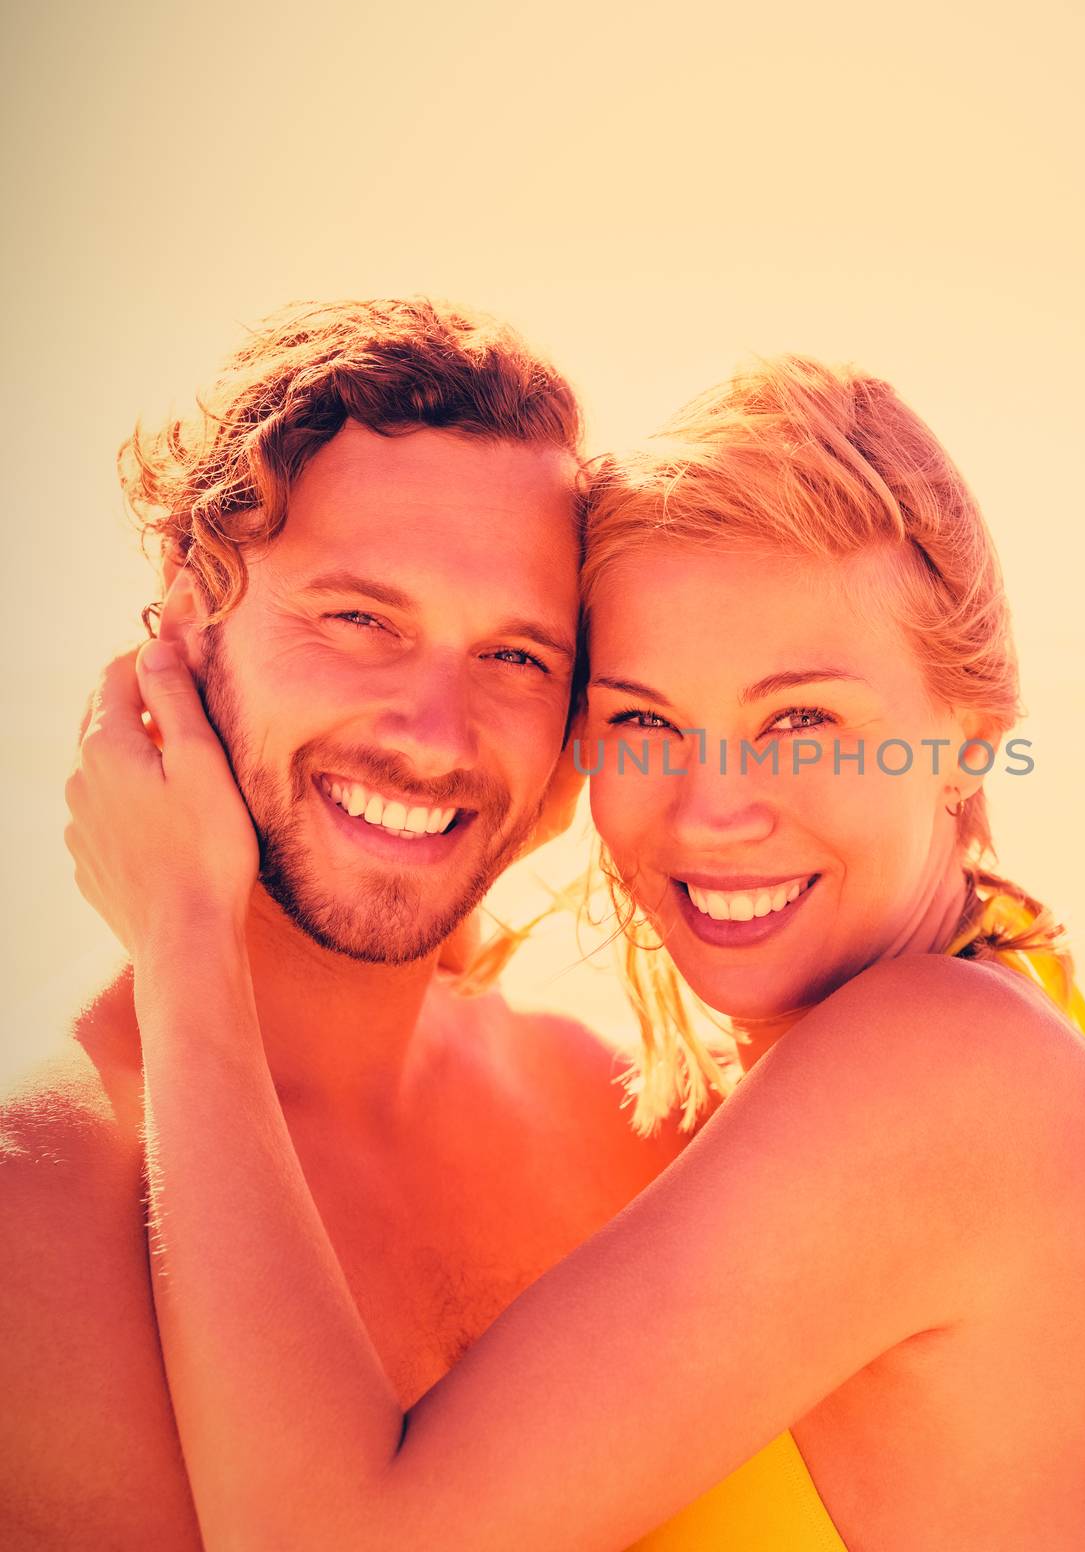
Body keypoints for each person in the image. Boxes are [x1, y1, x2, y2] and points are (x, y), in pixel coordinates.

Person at [66, 357, 1085, 1549]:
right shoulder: (982, 1011)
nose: (708, 813)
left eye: (799, 721)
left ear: (967, 742)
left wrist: (184, 928)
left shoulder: (937, 1075)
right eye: (643, 720)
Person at [1, 300, 689, 1549]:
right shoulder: (30, 1207)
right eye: (360, 618)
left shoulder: (619, 1115)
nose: (433, 732)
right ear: (189, 617)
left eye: (518, 657)